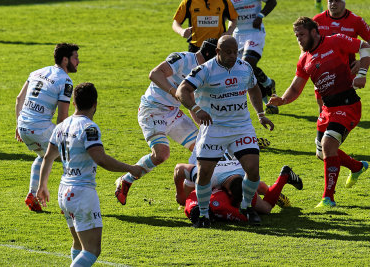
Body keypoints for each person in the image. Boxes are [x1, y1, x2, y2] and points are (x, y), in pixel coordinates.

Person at [36, 83, 144, 266]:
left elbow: (48, 157)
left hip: (64, 192)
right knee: (92, 250)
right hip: (82, 193)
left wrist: (42, 186)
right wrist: (130, 168)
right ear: (95, 104)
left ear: (73, 103)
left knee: (78, 243)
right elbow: (100, 159)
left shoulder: (61, 126)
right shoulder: (89, 128)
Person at [267, 17, 370, 208]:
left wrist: (362, 73)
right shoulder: (304, 59)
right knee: (321, 153)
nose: (298, 39)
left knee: (328, 145)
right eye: (296, 35)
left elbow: (365, 46)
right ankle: (357, 167)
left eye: (302, 35)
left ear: (314, 32)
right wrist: (282, 99)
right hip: (327, 109)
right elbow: (296, 88)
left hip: (347, 105)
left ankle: (328, 198)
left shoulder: (336, 40)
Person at [176, 35, 274, 227]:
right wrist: (196, 109)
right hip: (214, 128)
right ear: (218, 52)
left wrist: (261, 114)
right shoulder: (205, 70)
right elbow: (182, 90)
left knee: (253, 170)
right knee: (204, 174)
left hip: (241, 127)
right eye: (228, 52)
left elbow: (254, 88)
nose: (232, 56)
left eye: (235, 52)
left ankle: (246, 207)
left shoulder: (244, 68)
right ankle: (203, 214)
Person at [115, 39, 219, 205]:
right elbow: (154, 74)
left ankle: (199, 197)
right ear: (209, 55)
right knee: (161, 154)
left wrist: (204, 127)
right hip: (153, 110)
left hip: (173, 113)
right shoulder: (182, 59)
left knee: (204, 147)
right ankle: (126, 179)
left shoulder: (202, 71)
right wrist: (173, 91)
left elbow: (190, 100)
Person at [15, 43, 79, 212]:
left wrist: (18, 123)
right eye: (75, 57)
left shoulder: (37, 72)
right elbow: (62, 117)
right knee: (71, 156)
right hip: (41, 129)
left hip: (23, 126)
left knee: (45, 155)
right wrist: (64, 141)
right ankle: (68, 203)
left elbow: (19, 99)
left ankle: (33, 194)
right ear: (65, 60)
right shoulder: (65, 81)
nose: (78, 61)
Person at [173, 152, 303, 223]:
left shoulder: (247, 174)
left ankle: (284, 176)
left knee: (266, 208)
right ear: (229, 192)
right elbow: (179, 169)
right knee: (184, 198)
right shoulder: (209, 177)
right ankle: (283, 177)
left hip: (232, 166)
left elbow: (257, 184)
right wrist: (179, 193)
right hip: (211, 155)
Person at [313, 0, 370, 112]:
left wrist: (361, 62)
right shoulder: (317, 20)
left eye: (337, 1)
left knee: (337, 103)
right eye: (330, 1)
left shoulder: (356, 21)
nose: (333, 4)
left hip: (346, 69)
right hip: (322, 68)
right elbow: (307, 44)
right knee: (324, 104)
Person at [230, 0, 279, 114]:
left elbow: (272, 2)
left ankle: (268, 88)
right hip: (237, 34)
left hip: (254, 32)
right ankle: (268, 96)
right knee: (243, 71)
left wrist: (260, 15)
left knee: (248, 63)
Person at [172, 0, 238, 52]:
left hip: (218, 47)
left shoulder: (224, 1)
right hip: (196, 47)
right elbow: (175, 23)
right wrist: (181, 31)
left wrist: (229, 32)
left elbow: (234, 19)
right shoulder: (188, 2)